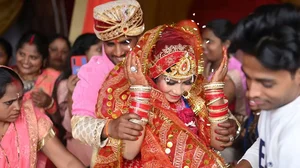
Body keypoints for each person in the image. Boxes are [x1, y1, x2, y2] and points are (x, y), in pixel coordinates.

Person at [92, 24, 241, 167]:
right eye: (170, 82)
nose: (178, 90)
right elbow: (129, 153)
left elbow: (218, 143)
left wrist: (215, 89)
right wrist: (140, 93)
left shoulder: (192, 100)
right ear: (154, 74)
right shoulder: (142, 100)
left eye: (187, 81)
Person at [228, 3, 300, 168]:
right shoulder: (276, 102)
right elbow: (265, 143)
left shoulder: (296, 142)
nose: (252, 93)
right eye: (248, 77)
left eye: (266, 83)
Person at [71, 0, 146, 156]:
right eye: (110, 44)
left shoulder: (155, 65)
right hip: (112, 160)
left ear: (139, 38)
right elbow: (78, 126)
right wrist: (109, 127)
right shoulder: (94, 71)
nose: (118, 52)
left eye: (126, 42)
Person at [0, 66, 85, 168]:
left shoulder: (30, 118)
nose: (18, 107)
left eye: (20, 99)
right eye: (9, 103)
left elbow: (66, 162)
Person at [201, 19, 249, 163]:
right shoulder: (208, 63)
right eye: (203, 40)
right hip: (207, 130)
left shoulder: (233, 73)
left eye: (209, 41)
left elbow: (211, 106)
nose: (203, 45)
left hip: (230, 139)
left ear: (226, 44)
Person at [53, 33, 102, 166]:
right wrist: (71, 93)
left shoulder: (107, 79)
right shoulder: (65, 84)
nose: (105, 54)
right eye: (98, 50)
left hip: (101, 147)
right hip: (79, 152)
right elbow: (70, 126)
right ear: (82, 55)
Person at [12, 31, 61, 167]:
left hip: (44, 146)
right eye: (22, 54)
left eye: (33, 57)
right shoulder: (5, 75)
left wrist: (50, 104)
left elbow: (67, 118)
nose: (26, 61)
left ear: (44, 59)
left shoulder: (54, 78)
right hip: (10, 144)